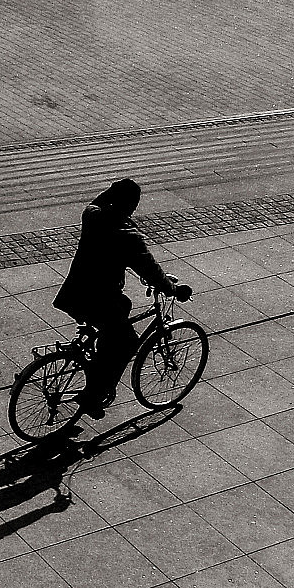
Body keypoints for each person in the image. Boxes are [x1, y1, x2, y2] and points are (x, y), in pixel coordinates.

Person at [53, 178, 192, 417]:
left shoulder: (92, 216)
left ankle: (94, 368)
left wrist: (111, 194)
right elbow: (150, 269)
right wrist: (173, 289)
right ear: (132, 205)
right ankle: (93, 396)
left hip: (74, 293)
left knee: (119, 316)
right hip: (100, 298)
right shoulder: (127, 236)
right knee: (127, 342)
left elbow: (97, 202)